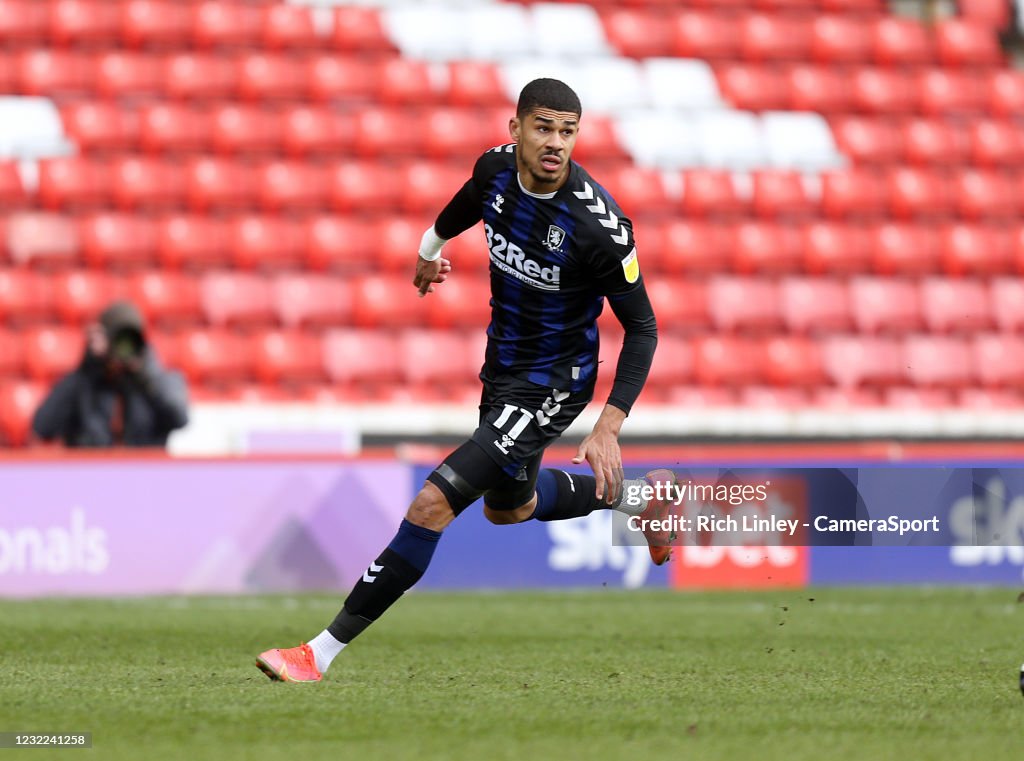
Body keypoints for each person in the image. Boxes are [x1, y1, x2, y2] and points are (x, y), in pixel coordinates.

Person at [256, 78, 674, 683]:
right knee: (510, 508)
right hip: (503, 370)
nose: (556, 142)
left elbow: (644, 329)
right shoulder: (495, 172)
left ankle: (317, 653)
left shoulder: (598, 228)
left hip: (554, 382)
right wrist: (429, 249)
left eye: (567, 131)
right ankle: (643, 500)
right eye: (544, 128)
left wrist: (610, 424)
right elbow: (465, 204)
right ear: (516, 130)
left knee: (433, 504)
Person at [32, 300, 189, 448]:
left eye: (130, 340)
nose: (123, 348)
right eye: (118, 339)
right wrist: (88, 366)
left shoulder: (160, 380)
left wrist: (144, 375)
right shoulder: (84, 382)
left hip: (144, 473)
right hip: (93, 473)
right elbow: (43, 426)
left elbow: (179, 419)